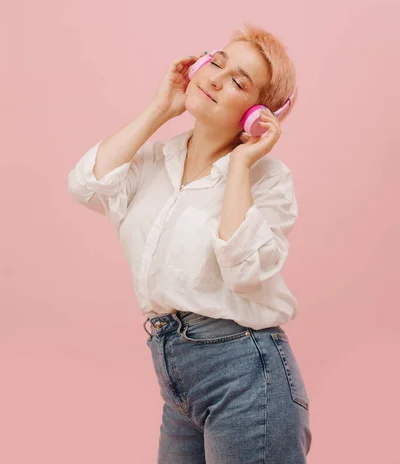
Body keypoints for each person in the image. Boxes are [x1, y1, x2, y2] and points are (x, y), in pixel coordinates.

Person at [67, 23, 312, 463]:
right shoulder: (154, 161)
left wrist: (241, 164)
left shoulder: (268, 180)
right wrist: (162, 109)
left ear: (258, 114)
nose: (216, 78)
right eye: (216, 62)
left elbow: (244, 271)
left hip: (246, 374)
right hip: (176, 377)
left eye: (238, 81)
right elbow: (88, 186)